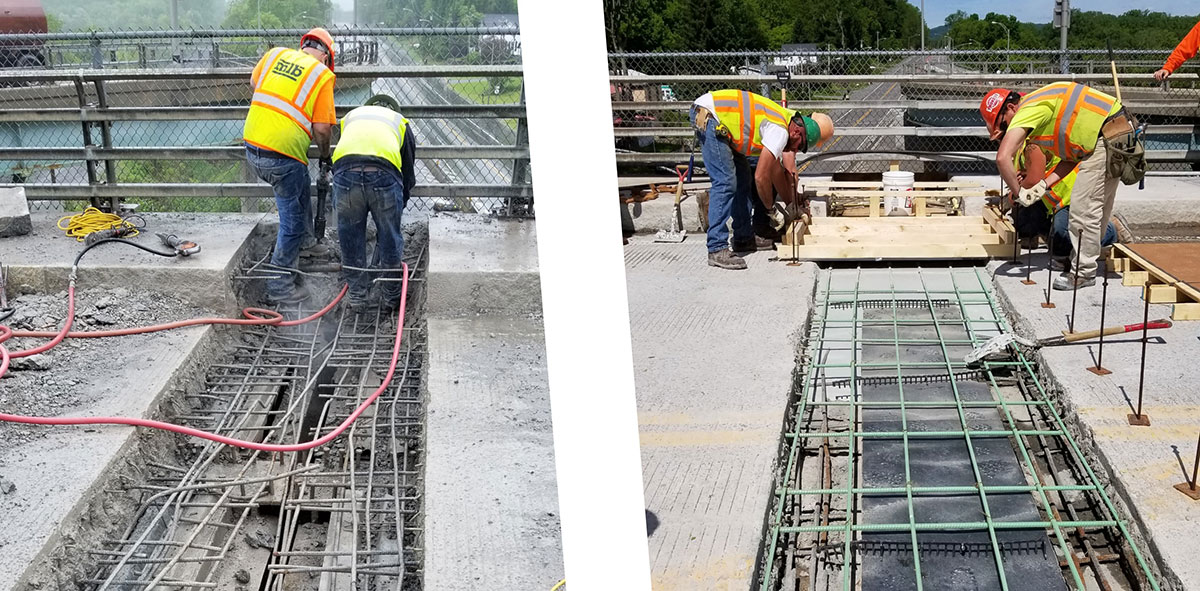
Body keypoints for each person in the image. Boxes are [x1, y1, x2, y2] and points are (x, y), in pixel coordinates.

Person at [981, 83, 1134, 290]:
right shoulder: (1044, 116)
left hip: (1107, 134)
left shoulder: (1028, 110)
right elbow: (1070, 159)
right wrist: (1044, 186)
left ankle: (1083, 273)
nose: (1008, 132)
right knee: (1096, 209)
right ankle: (1083, 260)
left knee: (1083, 211)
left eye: (1005, 126)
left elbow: (1002, 158)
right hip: (1112, 132)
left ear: (1010, 108)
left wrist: (1017, 195)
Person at [243, 27, 337, 304]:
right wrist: (324, 155)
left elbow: (253, 82)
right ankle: (280, 286)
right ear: (326, 57)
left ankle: (307, 244)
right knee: (292, 222)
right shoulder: (322, 76)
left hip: (252, 146)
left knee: (299, 186)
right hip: (282, 156)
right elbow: (322, 129)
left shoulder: (275, 55)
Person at [690, 89, 834, 270]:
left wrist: (792, 204)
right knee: (726, 182)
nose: (796, 150)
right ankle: (716, 248)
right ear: (797, 133)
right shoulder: (780, 132)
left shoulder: (786, 123)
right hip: (712, 117)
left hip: (724, 124)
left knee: (742, 182)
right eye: (800, 147)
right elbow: (761, 177)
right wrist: (771, 210)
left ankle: (743, 239)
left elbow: (776, 172)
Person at [330, 94, 417, 312]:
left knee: (350, 236)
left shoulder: (350, 117)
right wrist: (400, 202)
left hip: (345, 174)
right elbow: (407, 172)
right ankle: (391, 297)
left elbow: (345, 149)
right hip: (384, 175)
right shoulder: (400, 122)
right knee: (389, 236)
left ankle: (357, 297)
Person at [1011, 141, 1117, 271]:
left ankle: (1110, 230)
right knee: (1025, 220)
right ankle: (1050, 233)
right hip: (1051, 202)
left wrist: (1014, 195)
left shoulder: (1033, 145)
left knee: (1062, 239)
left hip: (1070, 198)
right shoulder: (1021, 146)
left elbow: (1034, 181)